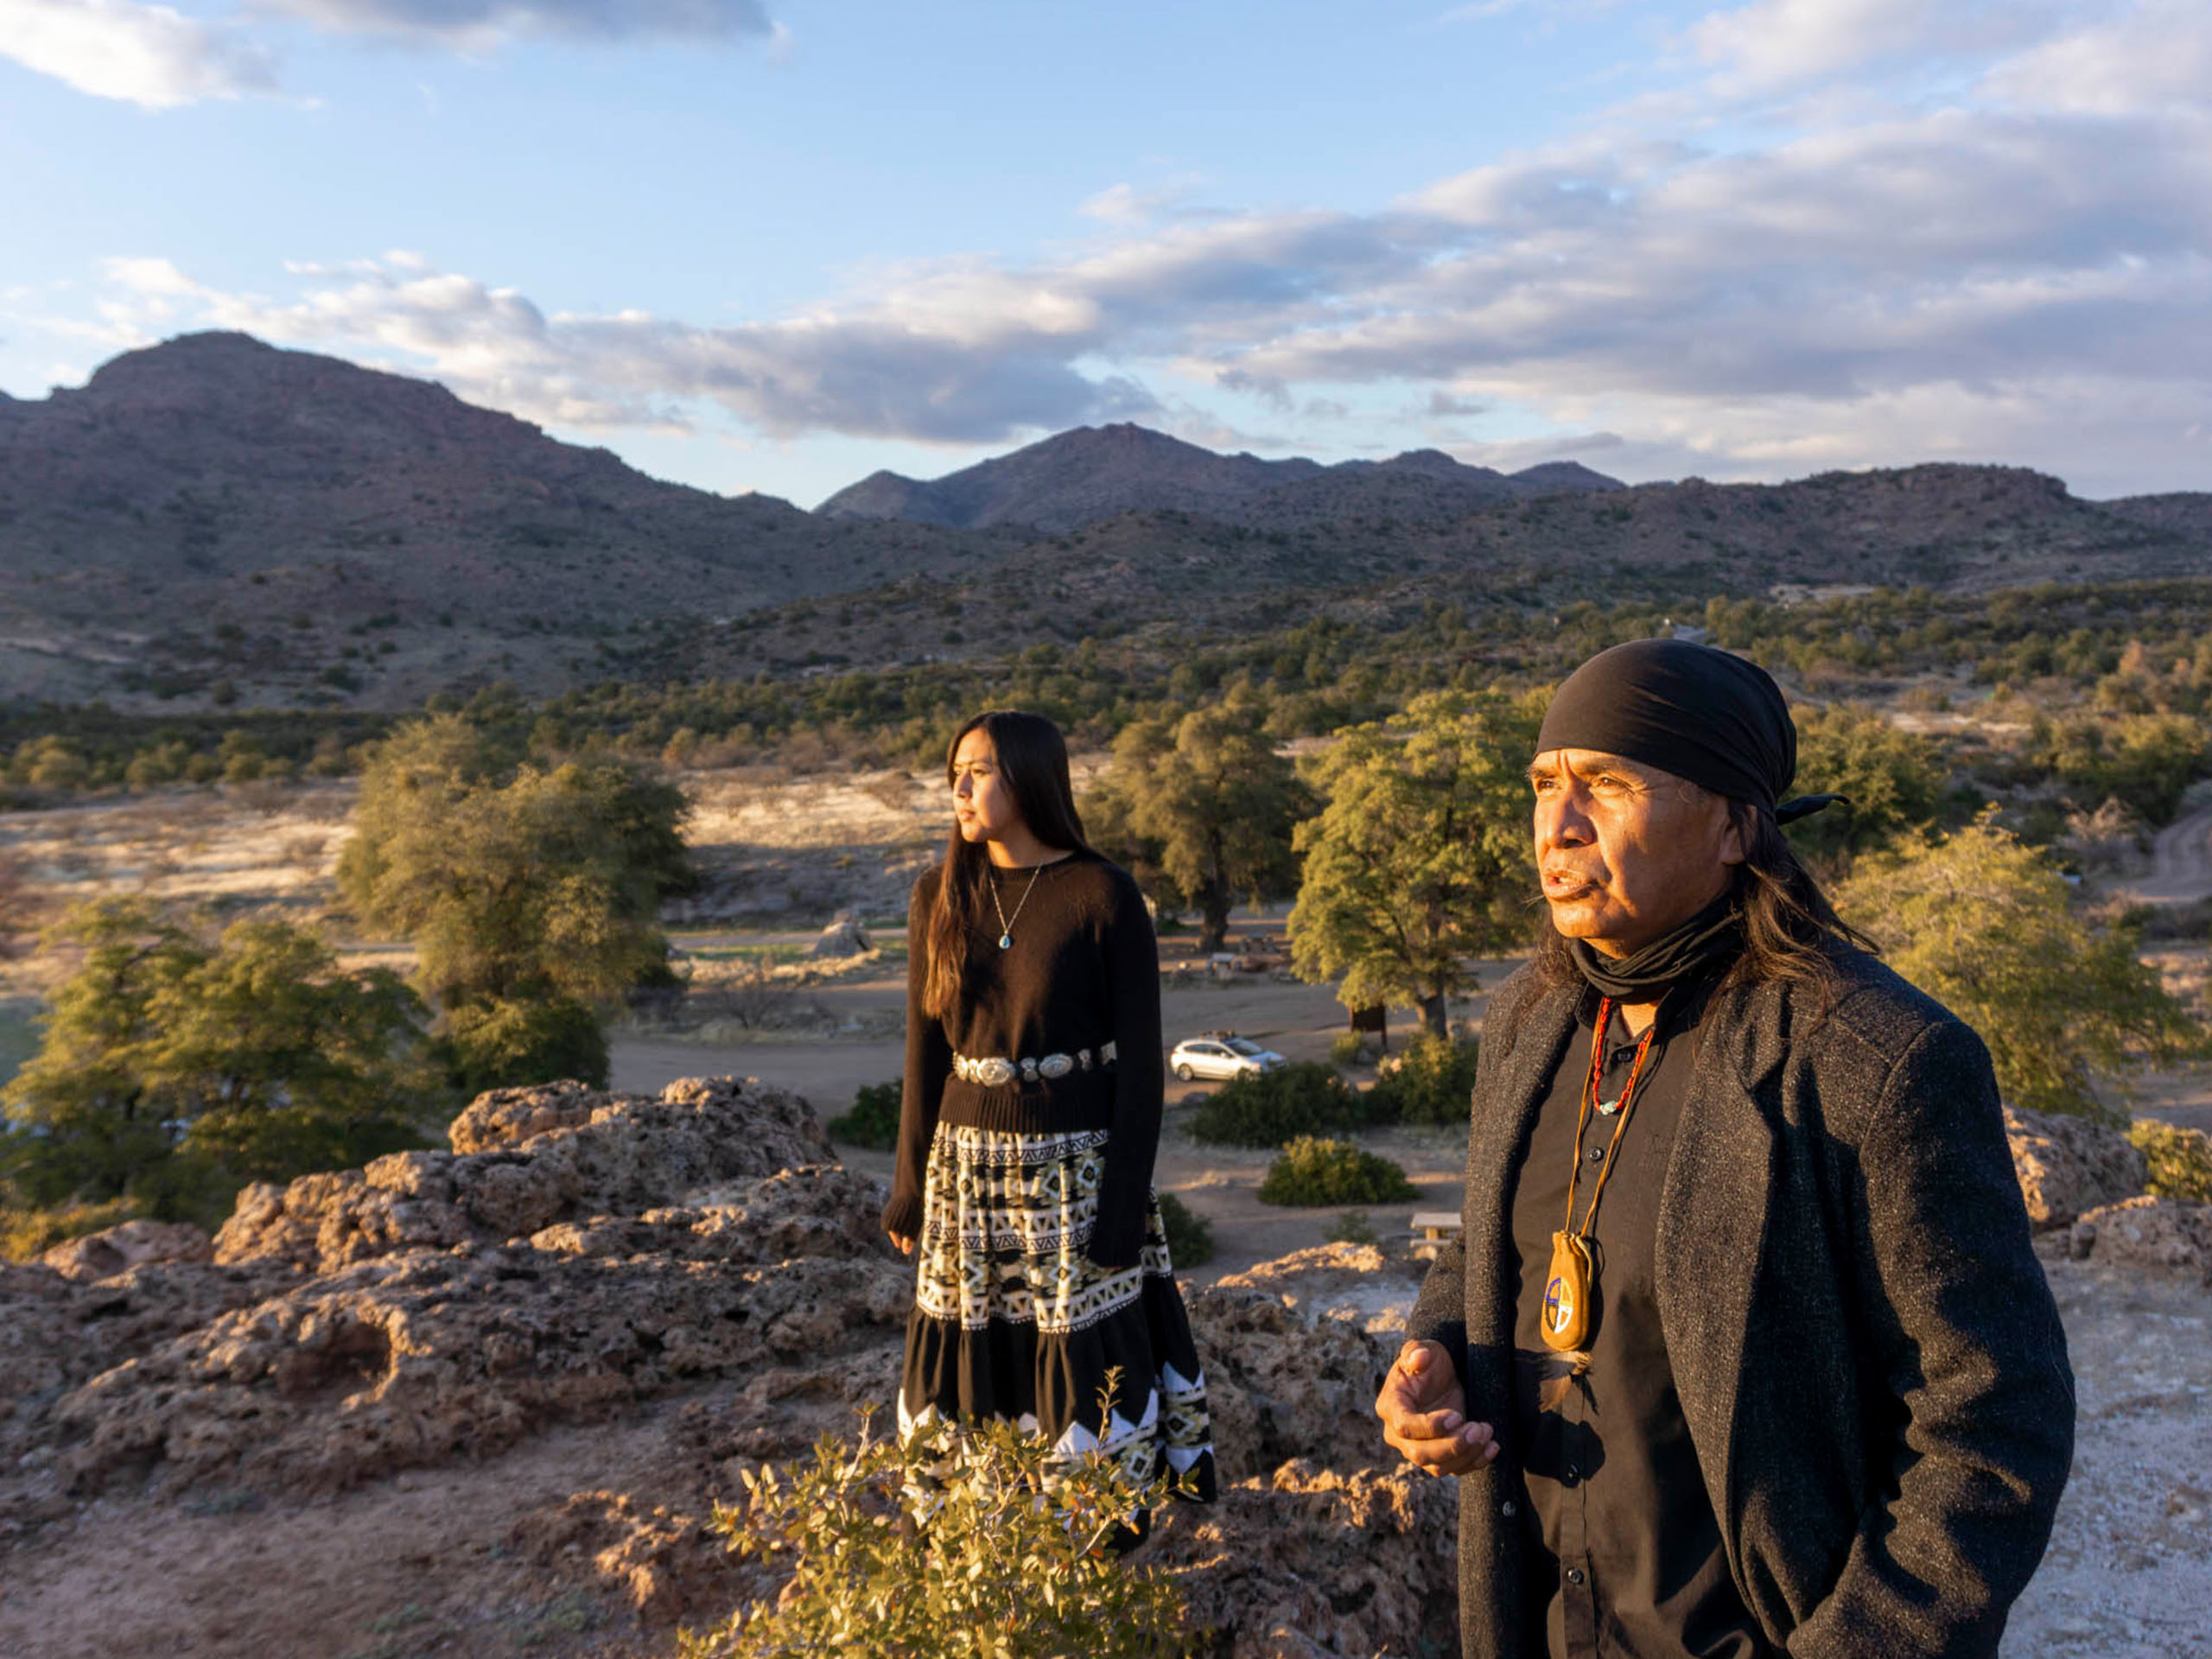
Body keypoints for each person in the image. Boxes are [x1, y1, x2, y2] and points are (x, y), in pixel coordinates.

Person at [1375, 639, 2073, 1659]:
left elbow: (1993, 1422)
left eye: (1606, 786)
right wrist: (1440, 1356)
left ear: (1738, 825)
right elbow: (1499, 1243)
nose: (1556, 828)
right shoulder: (1530, 1023)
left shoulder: (1873, 1061)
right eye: (1542, 787)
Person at [885, 708, 1217, 1509]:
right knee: (972, 1359)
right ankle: (978, 1524)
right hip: (966, 1177)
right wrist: (908, 1187)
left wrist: (1121, 1210)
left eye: (980, 771)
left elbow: (1143, 1072)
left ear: (1030, 776)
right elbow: (924, 1055)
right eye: (954, 774)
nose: (960, 788)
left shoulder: (1104, 895)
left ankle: (1096, 1528)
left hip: (1076, 1174)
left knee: (1081, 1363)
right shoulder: (938, 895)